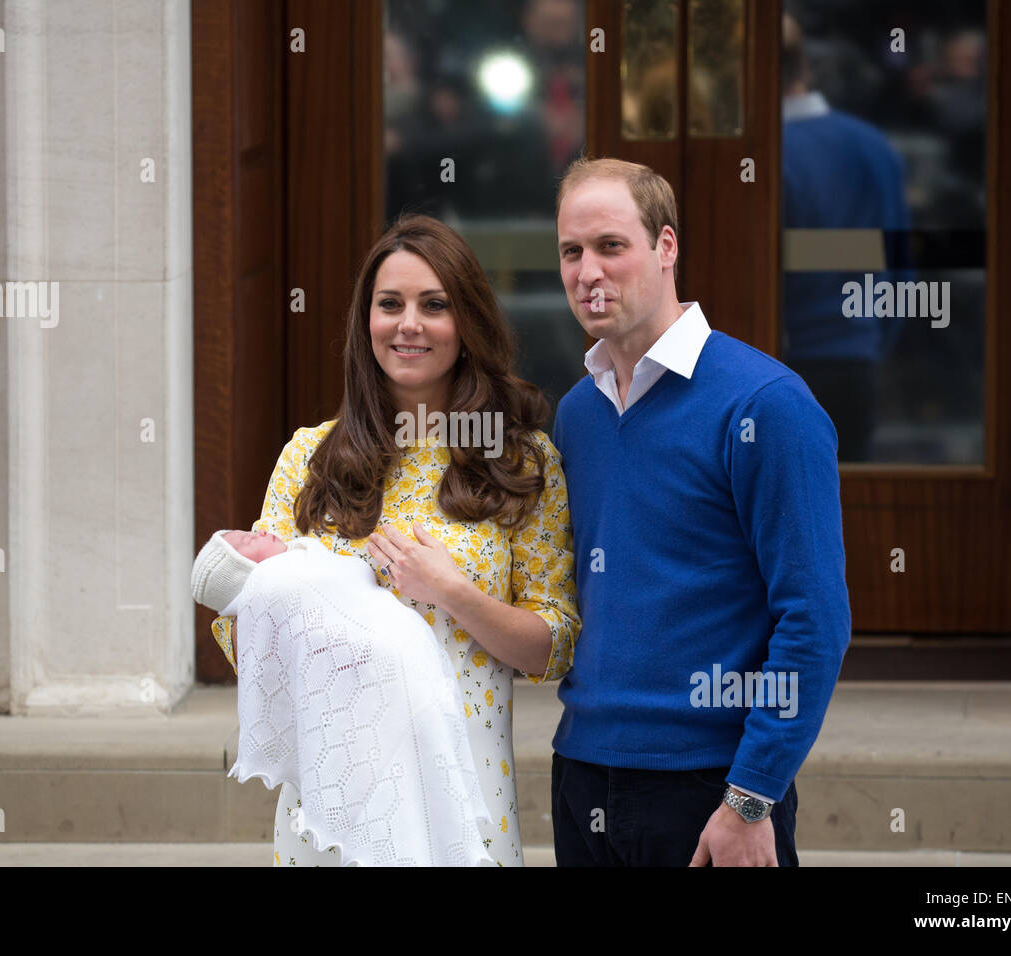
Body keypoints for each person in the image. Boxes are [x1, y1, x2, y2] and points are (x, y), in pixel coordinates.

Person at [211, 214, 580, 867]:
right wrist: (264, 598)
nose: (409, 323)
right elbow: (250, 642)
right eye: (390, 304)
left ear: (466, 324)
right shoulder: (309, 456)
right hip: (333, 795)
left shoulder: (521, 464)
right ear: (367, 321)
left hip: (464, 794)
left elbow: (554, 649)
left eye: (433, 305)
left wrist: (453, 594)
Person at [549, 156, 851, 866]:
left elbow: (815, 619)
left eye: (610, 246)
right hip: (583, 771)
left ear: (666, 247)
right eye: (571, 251)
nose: (587, 271)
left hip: (711, 788)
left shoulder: (766, 404)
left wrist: (752, 795)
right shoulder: (576, 414)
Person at [191, 528, 493, 867]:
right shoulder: (276, 581)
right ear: (245, 570)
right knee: (390, 807)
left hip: (418, 679)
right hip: (365, 707)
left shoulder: (300, 559)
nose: (259, 530)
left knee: (417, 799)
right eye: (247, 542)